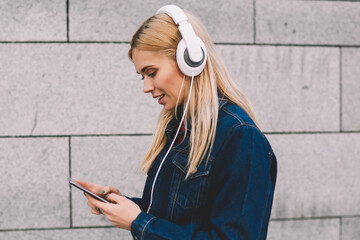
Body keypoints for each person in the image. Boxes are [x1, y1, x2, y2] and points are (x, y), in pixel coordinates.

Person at [76, 5, 277, 240]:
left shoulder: (239, 137)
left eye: (152, 72)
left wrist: (139, 223)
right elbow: (176, 218)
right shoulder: (179, 129)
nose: (146, 87)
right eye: (142, 76)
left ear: (190, 60)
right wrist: (122, 206)